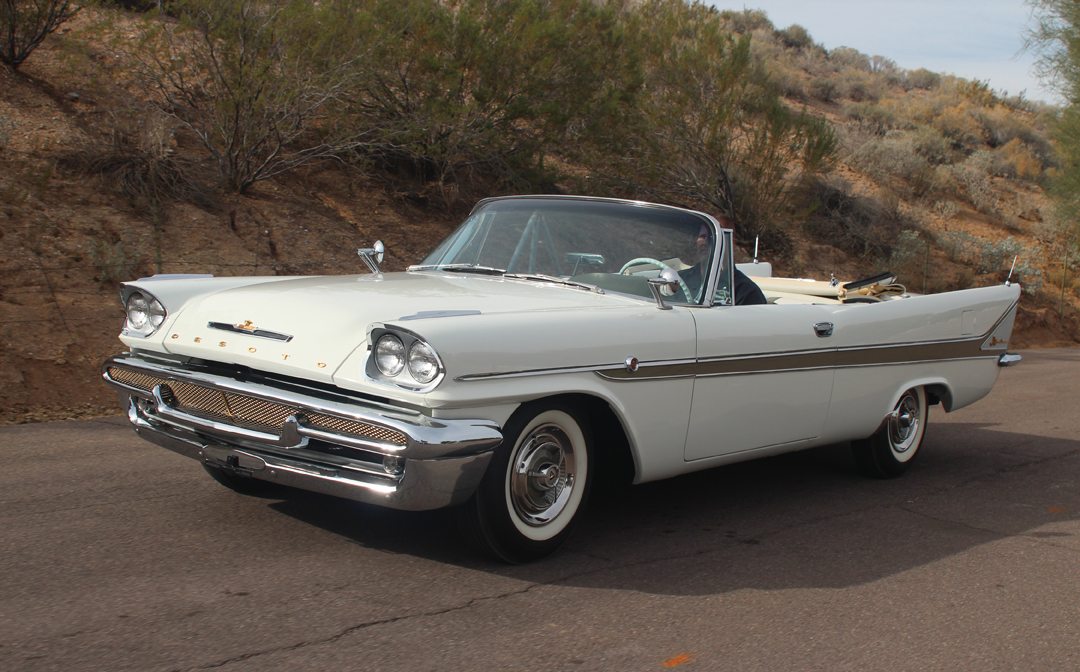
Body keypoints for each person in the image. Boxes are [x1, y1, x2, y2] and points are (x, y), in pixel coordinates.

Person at [680, 220, 767, 305]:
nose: (705, 242)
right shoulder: (681, 280)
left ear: (731, 241)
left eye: (713, 236)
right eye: (702, 236)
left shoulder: (747, 292)